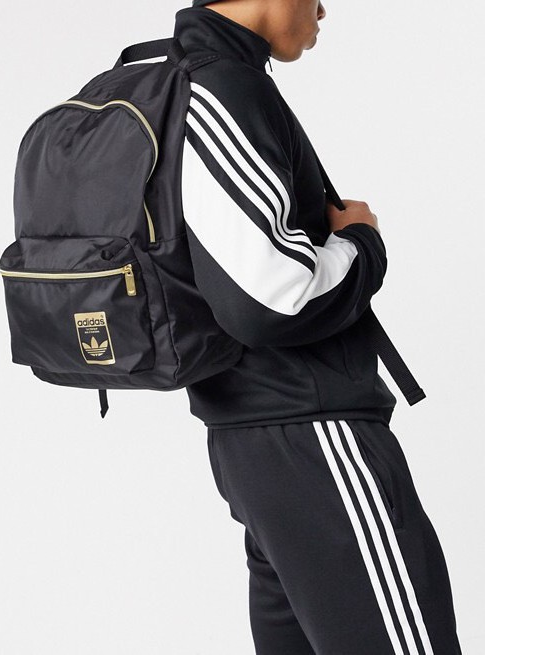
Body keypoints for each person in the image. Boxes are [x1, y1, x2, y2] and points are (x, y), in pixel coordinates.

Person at [174, 1, 462, 653]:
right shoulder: (224, 87)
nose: (322, 8)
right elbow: (271, 300)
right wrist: (361, 240)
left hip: (256, 434)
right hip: (312, 433)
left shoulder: (187, 80)